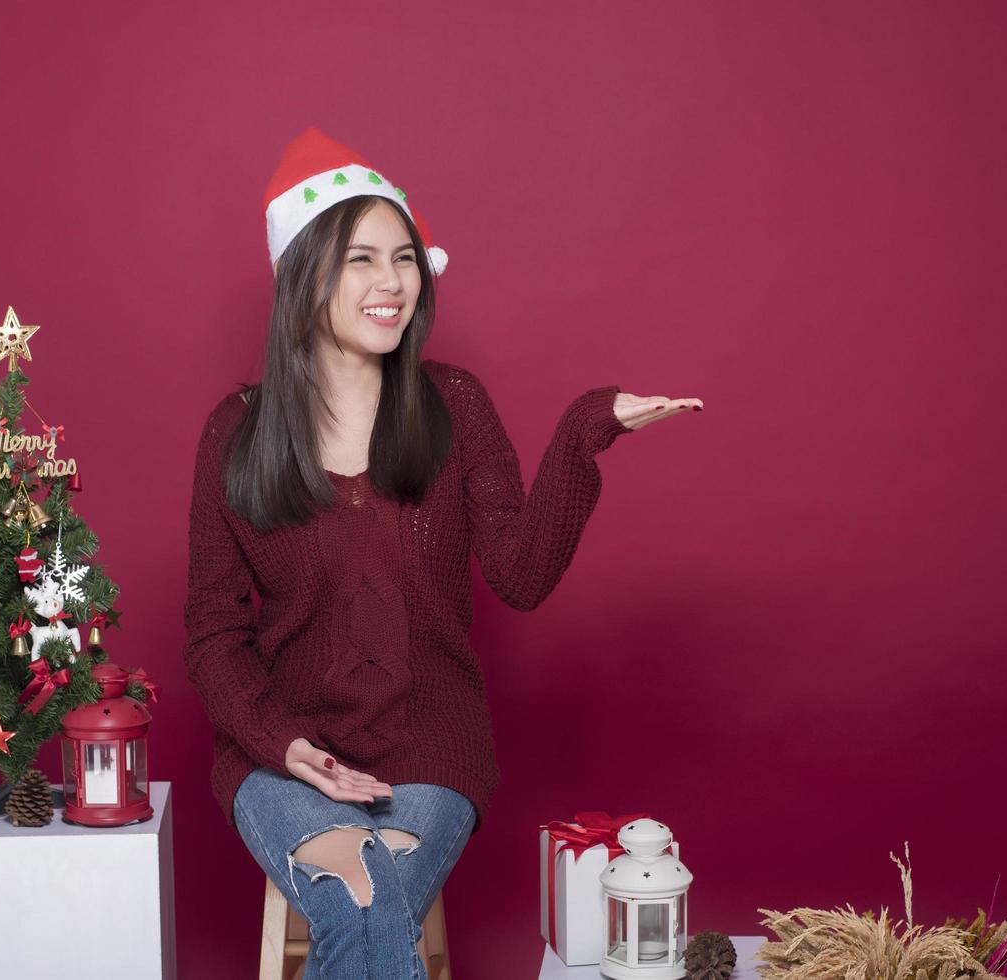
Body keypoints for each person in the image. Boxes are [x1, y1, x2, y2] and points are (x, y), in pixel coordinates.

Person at [182, 127, 702, 979]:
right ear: (303, 272)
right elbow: (211, 634)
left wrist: (582, 434)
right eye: (362, 259)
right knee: (364, 896)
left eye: (406, 258)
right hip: (281, 757)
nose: (393, 283)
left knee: (366, 898)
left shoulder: (453, 406)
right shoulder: (234, 434)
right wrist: (282, 744)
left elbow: (521, 577)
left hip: (431, 750)